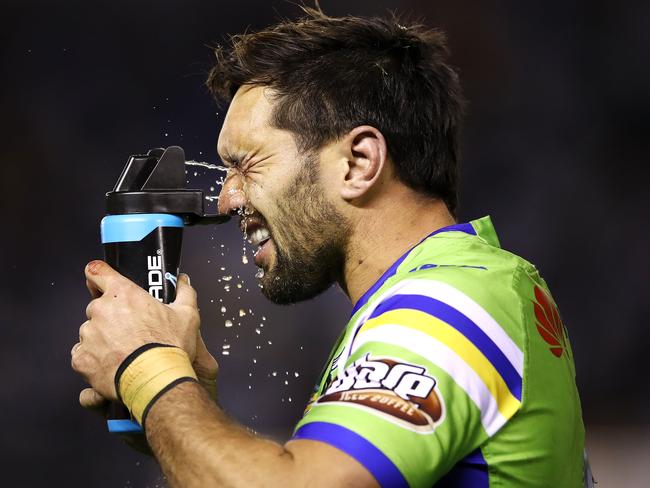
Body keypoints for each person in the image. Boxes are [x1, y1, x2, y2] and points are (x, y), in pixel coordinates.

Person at [71, 10, 589, 487]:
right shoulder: (457, 290)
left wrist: (150, 369)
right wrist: (184, 409)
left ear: (359, 162)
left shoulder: (451, 300)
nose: (227, 199)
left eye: (246, 163)